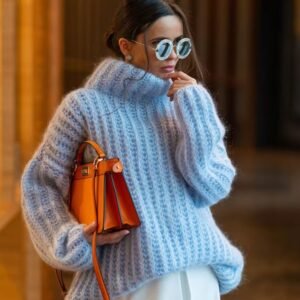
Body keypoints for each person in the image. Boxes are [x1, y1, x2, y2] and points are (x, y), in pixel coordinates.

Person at [21, 0, 244, 299]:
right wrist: (71, 241)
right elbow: (40, 185)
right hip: (135, 283)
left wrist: (198, 109)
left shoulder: (185, 103)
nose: (174, 56)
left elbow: (212, 187)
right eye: (161, 46)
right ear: (127, 46)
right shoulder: (85, 107)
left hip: (200, 275)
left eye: (181, 45)